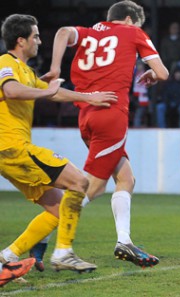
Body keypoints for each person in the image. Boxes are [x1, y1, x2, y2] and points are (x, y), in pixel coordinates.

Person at [43, 0, 169, 268]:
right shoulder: (133, 32)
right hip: (111, 114)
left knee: (126, 178)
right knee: (90, 187)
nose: (138, 29)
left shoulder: (88, 32)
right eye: (138, 24)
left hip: (87, 115)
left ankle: (124, 240)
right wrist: (153, 75)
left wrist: (55, 68)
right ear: (129, 19)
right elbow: (163, 72)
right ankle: (42, 237)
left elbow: (63, 31)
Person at [0, 14, 117, 273]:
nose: (40, 41)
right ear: (21, 41)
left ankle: (6, 258)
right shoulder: (4, 63)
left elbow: (53, 91)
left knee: (57, 209)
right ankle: (63, 252)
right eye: (36, 36)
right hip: (12, 148)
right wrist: (46, 91)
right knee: (80, 182)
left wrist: (88, 97)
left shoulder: (26, 71)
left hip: (11, 152)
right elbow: (11, 91)